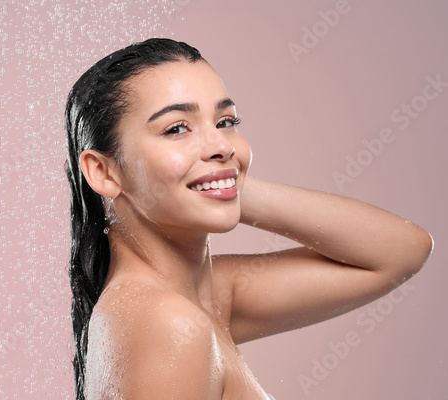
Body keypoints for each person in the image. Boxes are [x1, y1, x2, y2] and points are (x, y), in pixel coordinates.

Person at [64, 38, 433, 400]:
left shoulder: (203, 297)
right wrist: (206, 178)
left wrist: (223, 180)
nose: (222, 145)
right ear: (103, 172)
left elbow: (402, 252)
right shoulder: (168, 324)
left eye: (226, 121)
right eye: (177, 128)